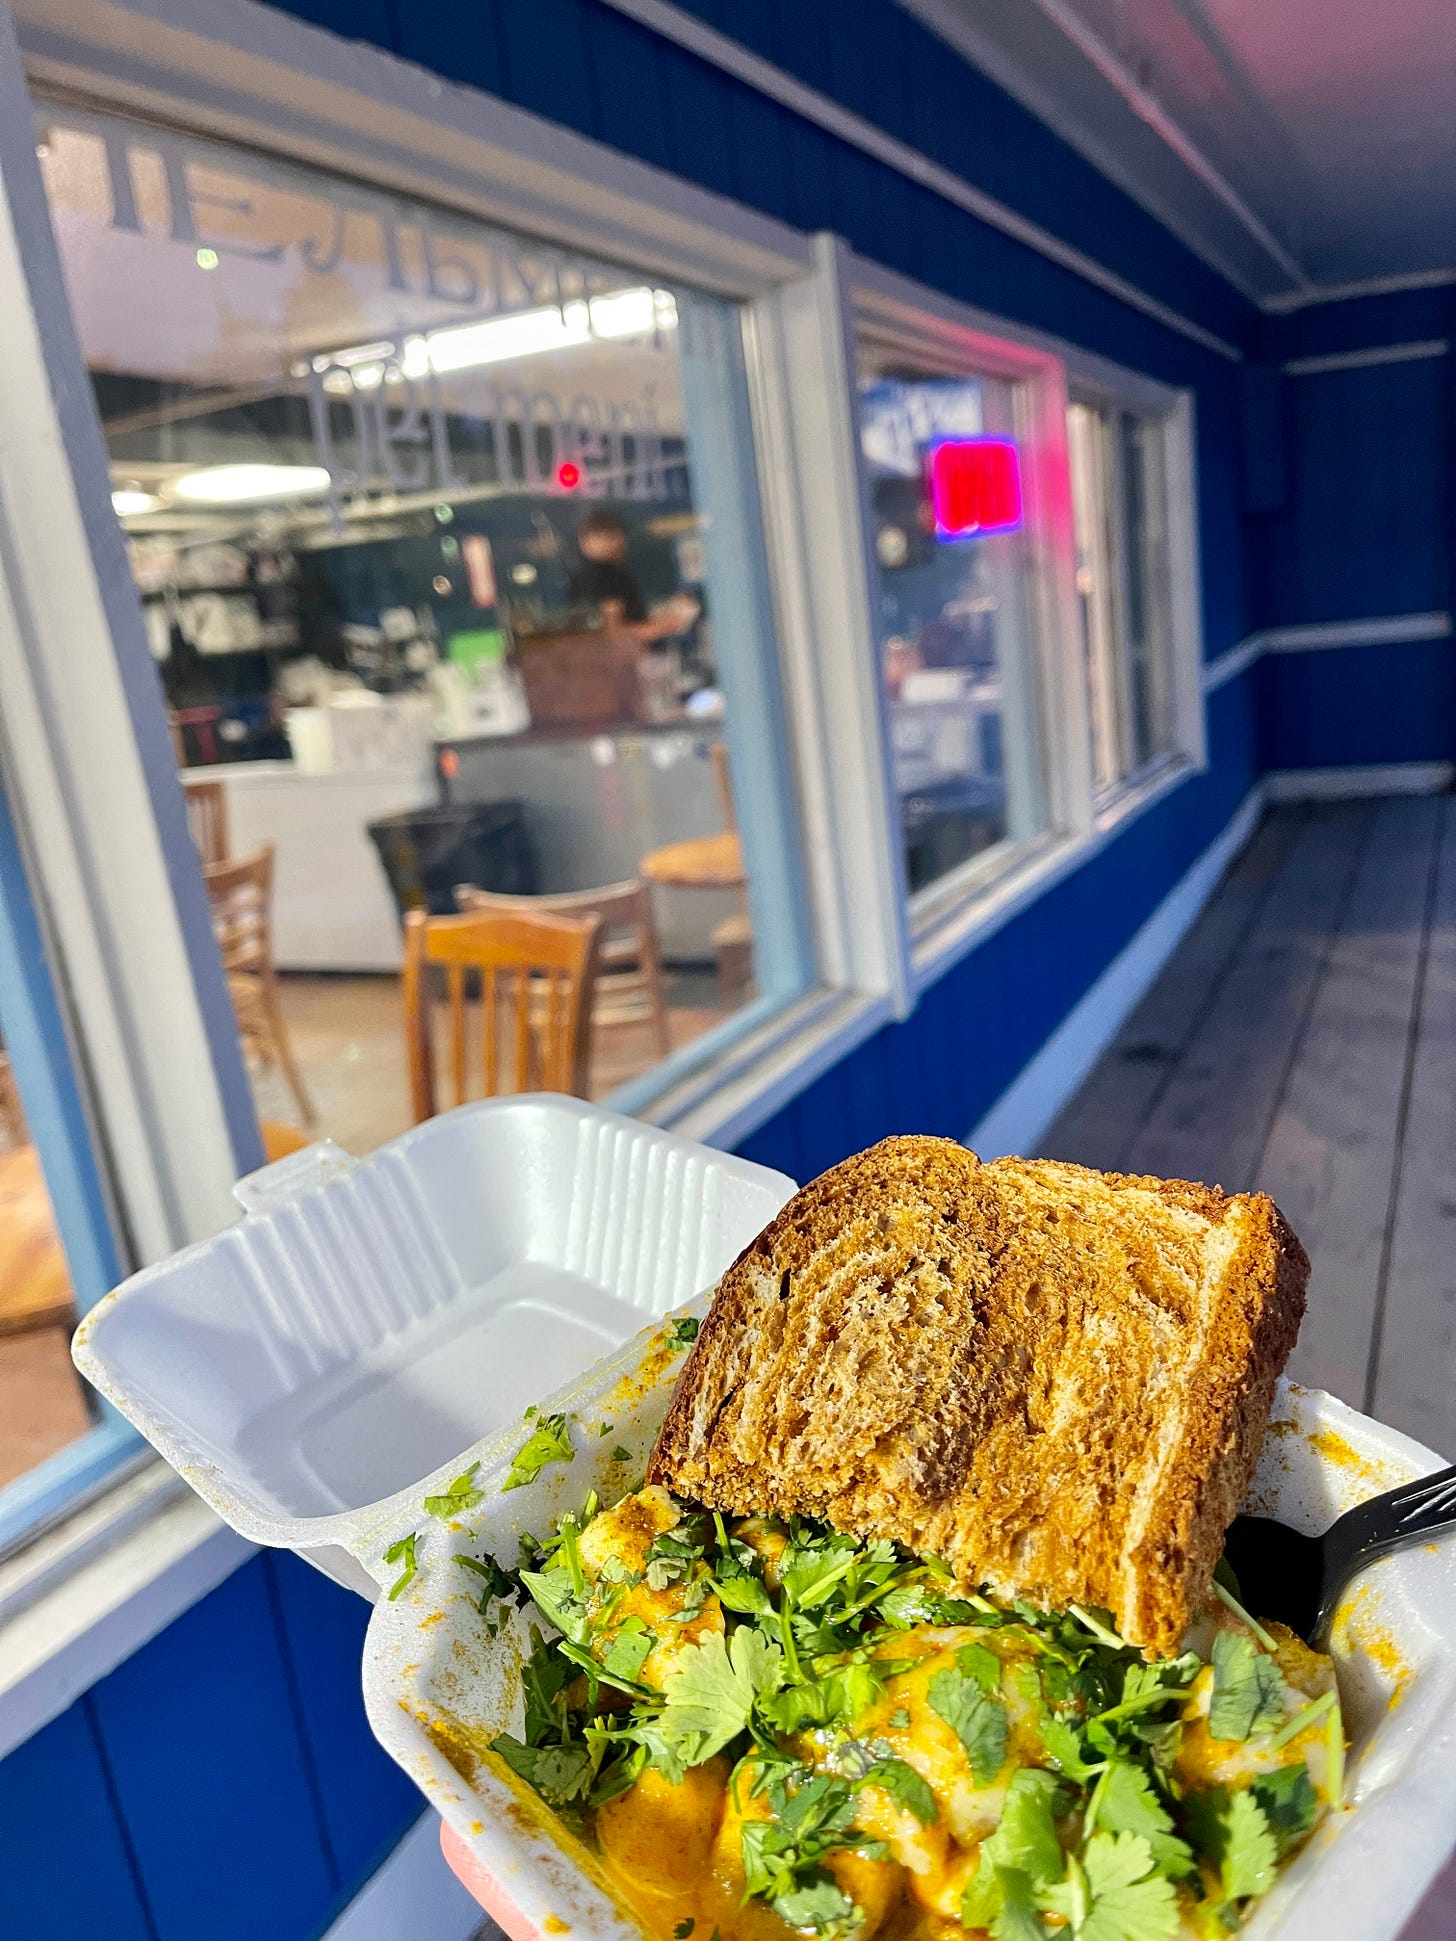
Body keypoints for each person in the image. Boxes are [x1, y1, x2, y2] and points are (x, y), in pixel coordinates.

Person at [566, 507, 648, 626]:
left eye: (619, 534)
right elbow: (609, 629)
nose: (619, 541)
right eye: (609, 535)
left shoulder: (622, 575)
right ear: (585, 540)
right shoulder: (586, 578)